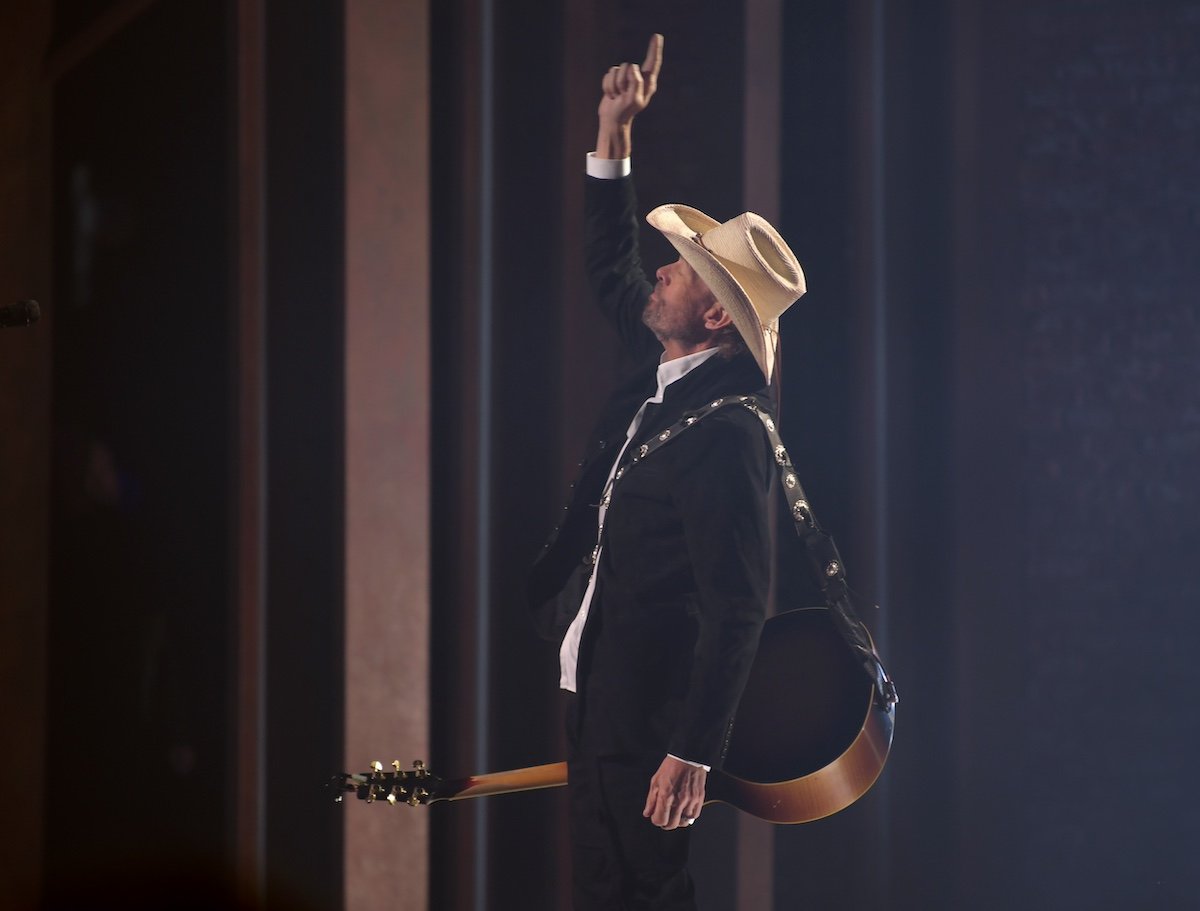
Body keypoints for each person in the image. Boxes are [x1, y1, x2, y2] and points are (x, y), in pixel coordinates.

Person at [527, 34, 807, 910]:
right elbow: (613, 270)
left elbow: (741, 607)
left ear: (717, 315)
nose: (660, 271)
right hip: (601, 696)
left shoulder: (729, 436)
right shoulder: (667, 373)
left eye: (681, 271)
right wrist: (614, 133)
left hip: (650, 729)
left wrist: (692, 751)